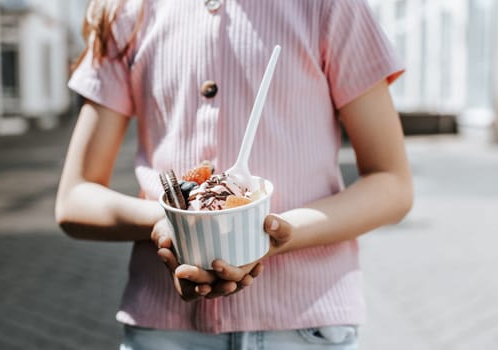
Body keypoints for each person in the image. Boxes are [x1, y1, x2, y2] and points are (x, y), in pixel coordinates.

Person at [55, 0, 413, 349]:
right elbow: (75, 199)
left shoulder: (330, 7)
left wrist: (276, 234)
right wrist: (181, 223)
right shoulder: (127, 10)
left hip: (305, 327)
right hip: (165, 330)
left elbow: (392, 183)